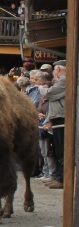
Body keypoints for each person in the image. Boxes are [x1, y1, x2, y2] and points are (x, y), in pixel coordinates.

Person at [43, 60, 67, 189]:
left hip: (63, 118)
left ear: (57, 70)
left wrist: (42, 88)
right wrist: (49, 119)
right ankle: (58, 176)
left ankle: (62, 178)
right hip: (57, 117)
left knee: (62, 150)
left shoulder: (65, 81)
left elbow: (49, 94)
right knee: (57, 150)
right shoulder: (60, 81)